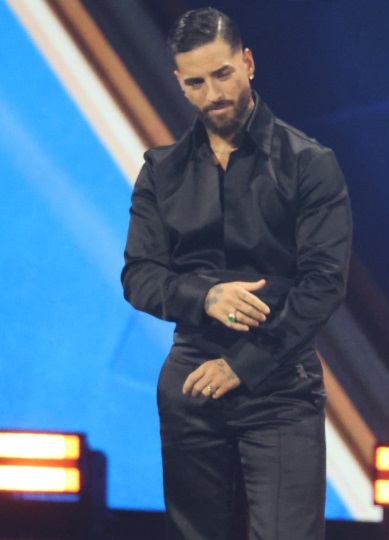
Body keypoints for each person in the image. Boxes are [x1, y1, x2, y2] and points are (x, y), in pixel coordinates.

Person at [121, 8, 351, 539]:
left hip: (280, 384)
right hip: (192, 381)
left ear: (247, 63)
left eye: (222, 74)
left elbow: (324, 284)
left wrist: (242, 365)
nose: (213, 94)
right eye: (196, 82)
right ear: (181, 85)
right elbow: (139, 275)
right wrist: (205, 296)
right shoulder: (161, 172)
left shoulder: (309, 164)